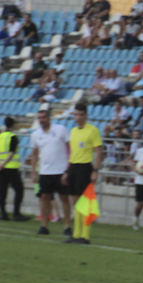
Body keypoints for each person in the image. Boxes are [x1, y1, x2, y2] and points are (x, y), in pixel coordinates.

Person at [28, 108, 71, 237]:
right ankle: (44, 225)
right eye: (39, 118)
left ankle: (67, 225)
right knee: (44, 198)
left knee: (64, 198)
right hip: (45, 171)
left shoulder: (61, 130)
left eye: (43, 117)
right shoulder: (35, 135)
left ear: (49, 118)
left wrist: (68, 169)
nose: (41, 120)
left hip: (60, 170)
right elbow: (35, 155)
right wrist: (34, 172)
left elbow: (70, 149)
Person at [63, 104, 103, 244]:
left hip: (85, 167)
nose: (78, 117)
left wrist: (95, 170)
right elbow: (72, 153)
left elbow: (99, 152)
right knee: (75, 202)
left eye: (81, 114)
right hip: (73, 167)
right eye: (76, 114)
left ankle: (85, 236)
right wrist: (67, 171)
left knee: (84, 202)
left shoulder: (92, 130)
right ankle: (76, 234)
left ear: (86, 115)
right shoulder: (73, 131)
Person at [0, 116, 29, 221]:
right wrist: (4, 163)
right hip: (11, 168)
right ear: (13, 125)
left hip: (2, 169)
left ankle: (3, 213)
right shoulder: (13, 137)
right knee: (19, 190)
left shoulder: (1, 136)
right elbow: (11, 153)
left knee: (2, 191)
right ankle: (16, 213)